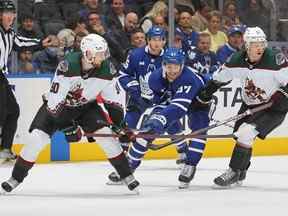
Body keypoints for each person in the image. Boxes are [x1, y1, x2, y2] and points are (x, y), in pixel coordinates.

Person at [0, 34, 140, 194]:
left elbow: (113, 103)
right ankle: (15, 178)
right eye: (99, 54)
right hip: (59, 109)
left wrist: (120, 126)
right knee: (35, 140)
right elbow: (54, 104)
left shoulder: (107, 70)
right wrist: (68, 127)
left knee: (106, 136)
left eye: (104, 53)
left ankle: (127, 175)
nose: (104, 57)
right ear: (87, 53)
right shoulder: (67, 66)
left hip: (86, 107)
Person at [198, 26, 288, 187]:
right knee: (239, 135)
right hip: (249, 104)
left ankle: (233, 171)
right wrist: (205, 94)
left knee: (246, 133)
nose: (260, 47)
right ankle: (241, 170)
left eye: (262, 43)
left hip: (274, 108)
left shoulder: (275, 59)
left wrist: (281, 95)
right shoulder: (236, 60)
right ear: (247, 45)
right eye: (255, 44)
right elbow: (220, 78)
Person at [111, 47, 209, 189]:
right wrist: (153, 120)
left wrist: (160, 119)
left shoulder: (189, 78)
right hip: (171, 101)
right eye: (169, 66)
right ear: (163, 65)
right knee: (147, 131)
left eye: (176, 66)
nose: (173, 70)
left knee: (199, 130)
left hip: (197, 102)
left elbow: (178, 109)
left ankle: (190, 165)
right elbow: (158, 103)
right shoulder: (154, 78)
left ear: (182, 65)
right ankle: (128, 167)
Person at [0, 0, 53, 161]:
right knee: (2, 113)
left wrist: (41, 43)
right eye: (5, 13)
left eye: (12, 13)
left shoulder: (10, 34)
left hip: (1, 76)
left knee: (13, 111)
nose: (10, 16)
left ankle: (5, 149)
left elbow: (22, 43)